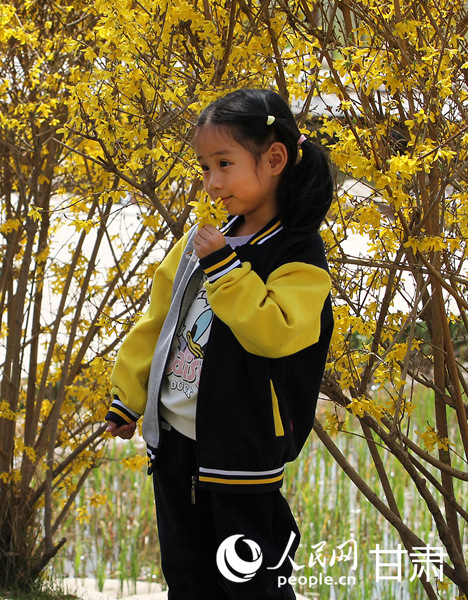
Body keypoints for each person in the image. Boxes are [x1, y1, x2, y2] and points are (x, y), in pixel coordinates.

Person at [105, 89, 334, 599]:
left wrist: (226, 269)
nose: (211, 183)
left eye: (224, 164)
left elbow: (275, 332)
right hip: (174, 441)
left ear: (275, 159)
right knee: (186, 576)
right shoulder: (204, 240)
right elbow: (160, 321)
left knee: (251, 580)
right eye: (205, 167)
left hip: (241, 450)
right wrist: (130, 397)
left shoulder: (298, 253)